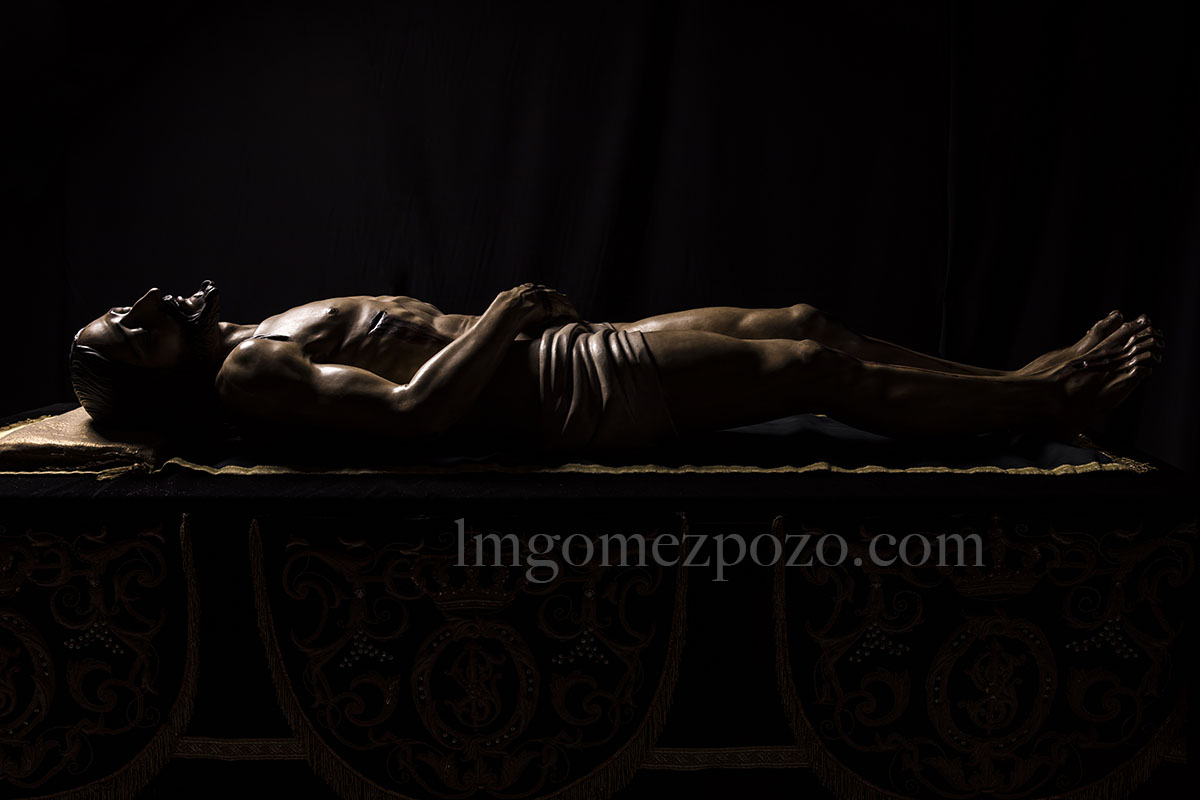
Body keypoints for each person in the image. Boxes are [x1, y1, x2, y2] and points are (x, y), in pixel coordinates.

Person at [68, 280, 1162, 450]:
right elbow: (410, 414)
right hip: (573, 391)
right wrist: (504, 314)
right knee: (810, 367)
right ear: (162, 375)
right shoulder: (247, 374)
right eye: (136, 325)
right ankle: (1043, 404)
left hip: (564, 352)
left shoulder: (250, 335)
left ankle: (1015, 380)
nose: (152, 301)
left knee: (806, 321)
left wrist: (515, 325)